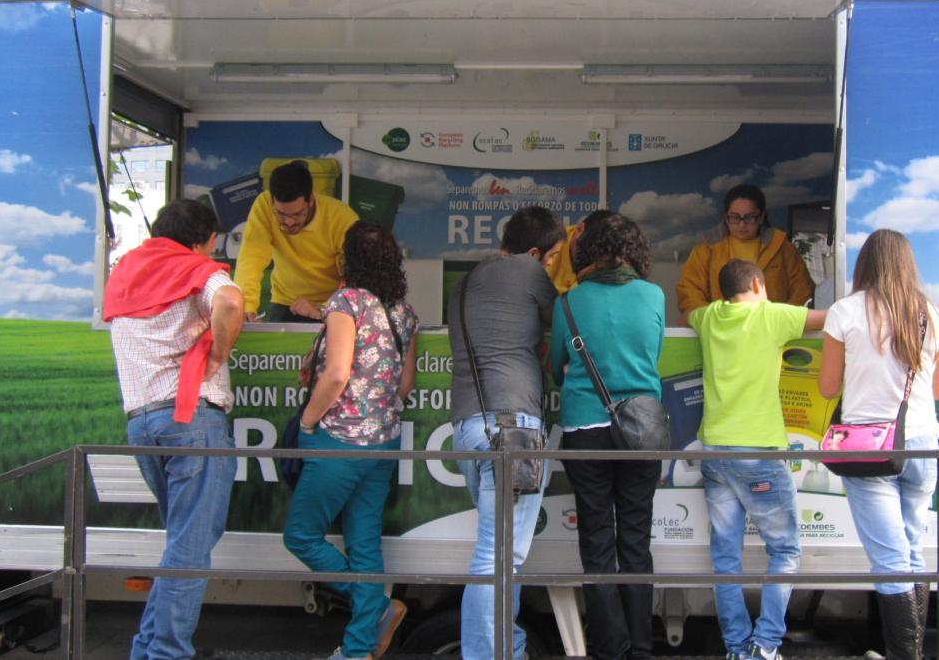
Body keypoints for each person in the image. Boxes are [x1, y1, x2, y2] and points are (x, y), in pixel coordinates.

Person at [103, 199, 244, 660]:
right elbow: (230, 300)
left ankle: (146, 648)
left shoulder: (125, 271)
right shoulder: (196, 269)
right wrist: (220, 352)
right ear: (201, 241)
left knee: (183, 542)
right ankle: (166, 653)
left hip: (143, 425)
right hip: (190, 420)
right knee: (190, 548)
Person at [283, 222, 420, 660]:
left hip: (338, 442)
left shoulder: (347, 302)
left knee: (301, 537)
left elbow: (338, 373)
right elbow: (403, 386)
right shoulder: (404, 312)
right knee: (364, 544)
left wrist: (308, 422)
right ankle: (359, 648)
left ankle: (376, 605)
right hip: (383, 443)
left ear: (349, 260)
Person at [817, 229, 939, 660]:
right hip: (923, 443)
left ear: (865, 263)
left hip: (869, 446)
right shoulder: (932, 313)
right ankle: (907, 651)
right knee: (911, 547)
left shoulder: (845, 312)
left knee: (890, 559)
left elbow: (827, 387)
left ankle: (905, 656)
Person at [687, 259, 826, 660]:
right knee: (783, 551)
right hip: (757, 454)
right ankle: (765, 646)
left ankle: (736, 647)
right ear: (757, 283)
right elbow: (832, 317)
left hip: (713, 450)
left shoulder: (710, 316)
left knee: (725, 558)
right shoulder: (773, 315)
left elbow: (689, 314)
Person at [448, 206, 564, 660]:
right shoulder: (529, 272)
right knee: (499, 557)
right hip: (512, 428)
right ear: (535, 252)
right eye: (553, 257)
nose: (551, 267)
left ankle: (507, 647)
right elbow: (565, 325)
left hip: (467, 428)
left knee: (500, 554)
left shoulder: (464, 283)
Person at [548, 213, 665, 660]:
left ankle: (611, 648)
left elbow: (555, 365)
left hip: (584, 428)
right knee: (636, 539)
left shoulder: (569, 302)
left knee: (597, 541)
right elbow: (651, 356)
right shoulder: (653, 295)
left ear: (585, 249)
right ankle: (639, 647)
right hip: (642, 430)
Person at [234, 159, 359, 323]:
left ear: (312, 200)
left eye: (297, 214)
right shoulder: (263, 205)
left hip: (332, 305)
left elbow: (355, 276)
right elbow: (251, 257)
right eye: (281, 214)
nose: (289, 222)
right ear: (271, 201)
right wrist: (246, 306)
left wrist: (322, 309)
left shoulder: (342, 218)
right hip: (285, 301)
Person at [676, 184, 814, 315]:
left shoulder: (783, 249)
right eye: (735, 217)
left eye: (749, 217)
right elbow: (689, 291)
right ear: (726, 217)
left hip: (775, 335)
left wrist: (783, 321)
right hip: (721, 333)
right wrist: (712, 321)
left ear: (761, 217)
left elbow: (802, 292)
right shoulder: (706, 250)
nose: (742, 224)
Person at [544, 208, 615, 292]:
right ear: (579, 229)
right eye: (587, 250)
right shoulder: (547, 245)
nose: (588, 262)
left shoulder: (615, 260)